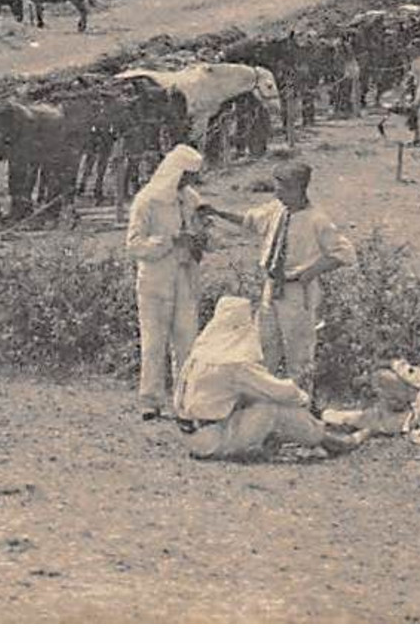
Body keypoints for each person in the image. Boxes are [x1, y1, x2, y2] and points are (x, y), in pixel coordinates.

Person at [202, 161, 355, 395]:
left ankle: (303, 406)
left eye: (283, 188)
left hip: (297, 293)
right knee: (264, 349)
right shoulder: (276, 211)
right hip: (271, 288)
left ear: (298, 188)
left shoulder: (317, 219)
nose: (277, 193)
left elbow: (344, 253)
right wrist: (217, 212)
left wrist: (310, 273)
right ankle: (266, 401)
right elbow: (249, 221)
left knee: (299, 354)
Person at [173, 296, 362, 461]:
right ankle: (331, 440)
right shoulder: (233, 363)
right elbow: (282, 392)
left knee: (257, 401)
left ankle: (312, 435)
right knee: (272, 408)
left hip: (191, 437)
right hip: (213, 440)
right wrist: (302, 398)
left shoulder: (201, 354)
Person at [125, 144, 208, 421]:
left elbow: (206, 232)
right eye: (186, 175)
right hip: (156, 280)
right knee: (154, 341)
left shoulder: (190, 199)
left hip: (185, 277)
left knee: (187, 340)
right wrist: (170, 241)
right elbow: (135, 245)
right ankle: (150, 400)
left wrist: (200, 239)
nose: (188, 182)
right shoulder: (147, 201)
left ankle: (185, 400)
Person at [321, 330, 420, 447]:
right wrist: (393, 364)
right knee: (383, 384)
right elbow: (417, 377)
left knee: (382, 421)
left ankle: (345, 431)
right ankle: (334, 419)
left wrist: (418, 436)